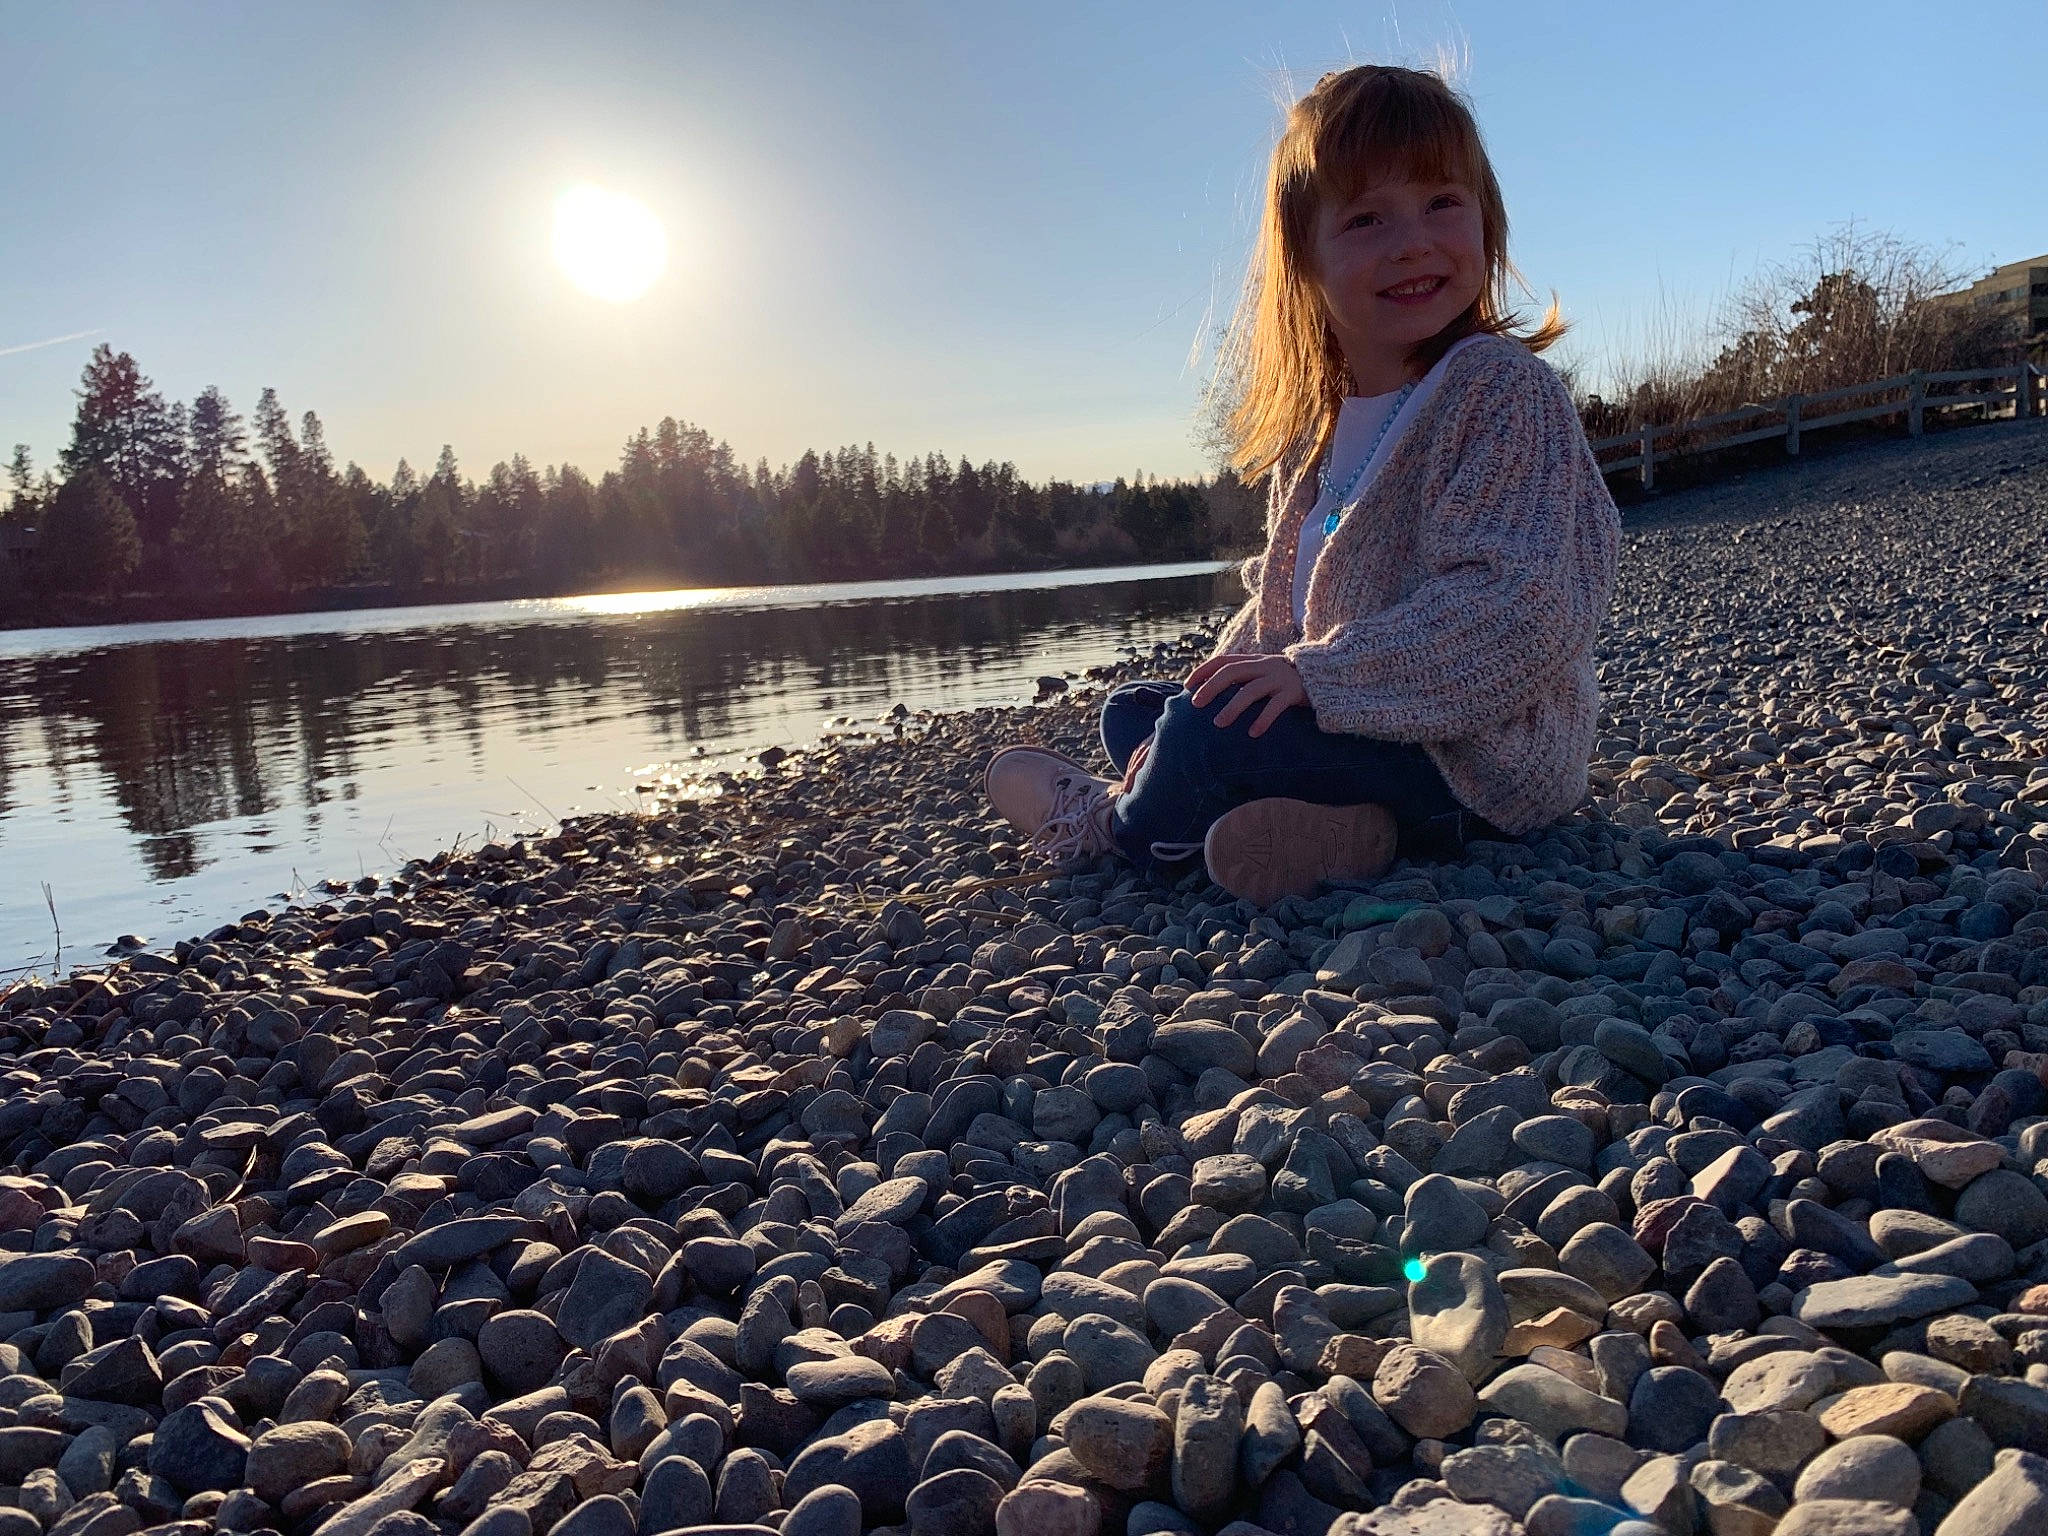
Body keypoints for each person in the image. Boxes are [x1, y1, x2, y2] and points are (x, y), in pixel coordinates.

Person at [985, 63, 1621, 906]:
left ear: (1487, 219)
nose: (1412, 242)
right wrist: (1231, 675)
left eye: (1442, 203)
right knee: (1141, 709)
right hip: (1364, 721)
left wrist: (1319, 679)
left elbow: (1519, 608)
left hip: (1475, 758)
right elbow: (1277, 613)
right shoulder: (1320, 428)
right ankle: (1348, 831)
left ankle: (1113, 825)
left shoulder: (1501, 392)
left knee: (1200, 738)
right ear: (1305, 262)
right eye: (1366, 219)